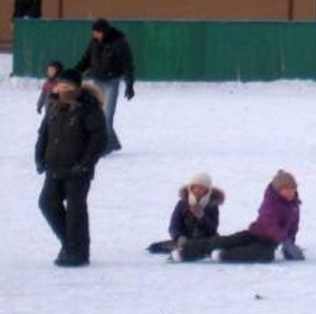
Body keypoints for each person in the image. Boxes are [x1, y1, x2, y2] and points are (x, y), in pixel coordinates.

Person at [34, 68, 108, 267]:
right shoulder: (53, 105)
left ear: (76, 88)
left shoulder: (89, 108)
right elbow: (43, 134)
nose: (61, 89)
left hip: (77, 170)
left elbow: (99, 139)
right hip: (54, 167)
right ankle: (71, 245)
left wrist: (84, 164)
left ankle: (78, 252)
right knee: (47, 204)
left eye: (66, 86)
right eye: (60, 85)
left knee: (76, 211)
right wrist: (39, 158)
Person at [173, 170, 303, 263]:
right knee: (227, 241)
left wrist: (290, 245)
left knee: (264, 254)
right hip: (256, 234)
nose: (290, 192)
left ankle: (223, 255)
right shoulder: (271, 203)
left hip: (270, 242)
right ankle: (186, 249)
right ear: (278, 190)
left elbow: (293, 227)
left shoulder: (293, 206)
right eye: (286, 189)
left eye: (292, 189)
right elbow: (269, 224)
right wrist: (284, 240)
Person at [74, 18, 136, 155]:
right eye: (93, 32)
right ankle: (113, 143)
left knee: (107, 115)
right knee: (99, 114)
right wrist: (74, 73)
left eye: (96, 32)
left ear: (104, 32)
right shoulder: (94, 43)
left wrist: (130, 84)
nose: (94, 35)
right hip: (97, 82)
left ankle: (104, 146)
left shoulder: (119, 43)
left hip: (111, 83)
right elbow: (86, 59)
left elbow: (128, 64)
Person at [146, 173, 226, 254]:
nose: (197, 190)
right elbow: (174, 226)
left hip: (206, 241)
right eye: (194, 187)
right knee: (154, 247)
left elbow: (213, 228)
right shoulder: (182, 204)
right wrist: (178, 237)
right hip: (185, 241)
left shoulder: (212, 205)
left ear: (207, 190)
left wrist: (202, 217)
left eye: (201, 188)